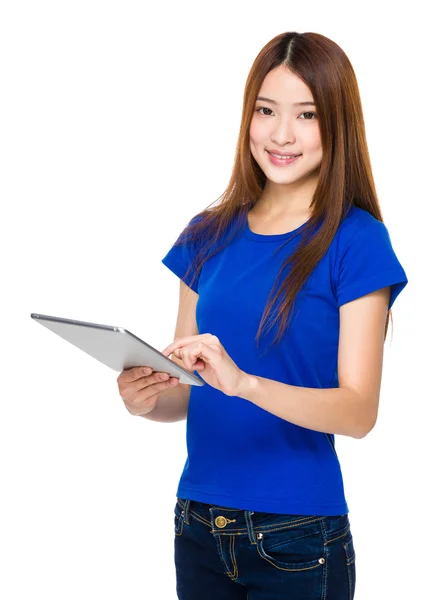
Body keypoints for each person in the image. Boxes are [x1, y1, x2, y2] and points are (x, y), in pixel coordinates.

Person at [117, 31, 408, 600]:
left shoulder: (357, 242)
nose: (281, 134)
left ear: (338, 125)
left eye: (307, 115)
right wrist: (147, 397)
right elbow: (188, 387)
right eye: (266, 110)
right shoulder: (207, 234)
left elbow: (359, 411)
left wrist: (246, 383)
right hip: (198, 522)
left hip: (298, 537)